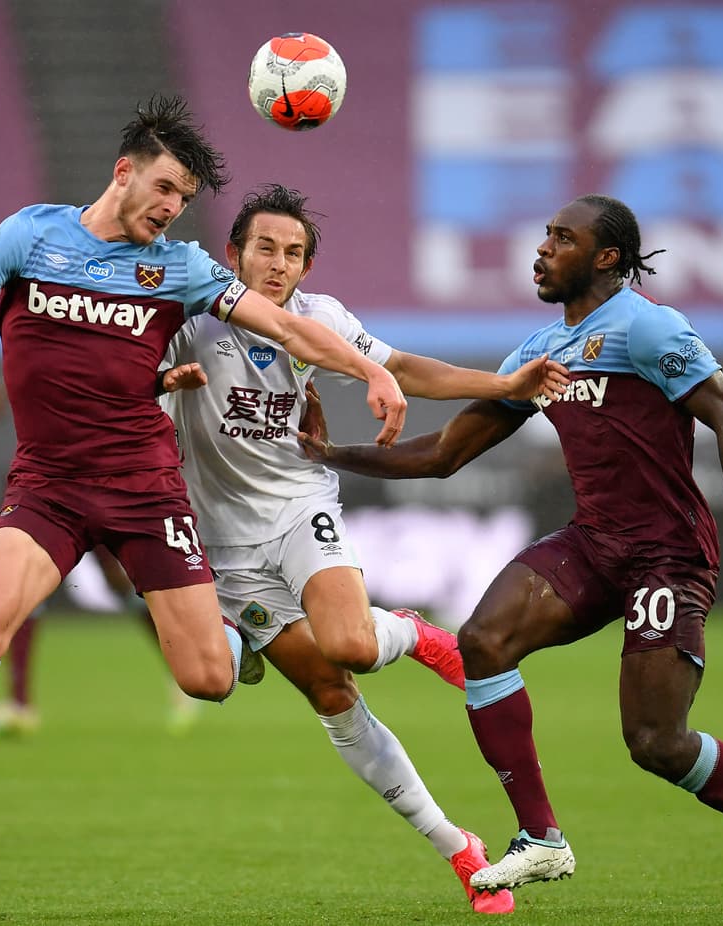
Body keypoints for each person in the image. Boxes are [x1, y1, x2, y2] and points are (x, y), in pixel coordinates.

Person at [0, 95, 408, 887]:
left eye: (184, 200)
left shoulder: (181, 266)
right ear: (123, 171)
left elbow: (287, 327)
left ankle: (247, 637)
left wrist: (369, 367)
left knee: (205, 678)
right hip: (49, 488)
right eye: (163, 188)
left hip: (146, 492)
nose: (170, 209)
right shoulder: (31, 234)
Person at [299, 194, 723, 914]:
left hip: (665, 556)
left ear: (606, 257)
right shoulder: (540, 353)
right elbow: (447, 454)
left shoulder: (646, 326)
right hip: (594, 543)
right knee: (483, 642)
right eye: (545, 236)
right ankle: (540, 837)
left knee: (654, 742)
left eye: (562, 238)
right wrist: (330, 454)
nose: (542, 249)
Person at [154, 183, 569, 913]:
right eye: (264, 249)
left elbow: (404, 366)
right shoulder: (189, 320)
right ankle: (460, 850)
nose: (278, 265)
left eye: (293, 254)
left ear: (306, 268)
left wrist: (506, 384)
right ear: (233, 253)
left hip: (299, 505)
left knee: (350, 644)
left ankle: (406, 630)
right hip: (223, 545)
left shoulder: (321, 319)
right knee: (330, 693)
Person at [0, 382, 202, 736]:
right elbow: (41, 352)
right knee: (19, 576)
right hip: (53, 475)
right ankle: (20, 703)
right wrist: (7, 387)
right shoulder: (50, 337)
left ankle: (185, 669)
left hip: (110, 471)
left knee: (120, 580)